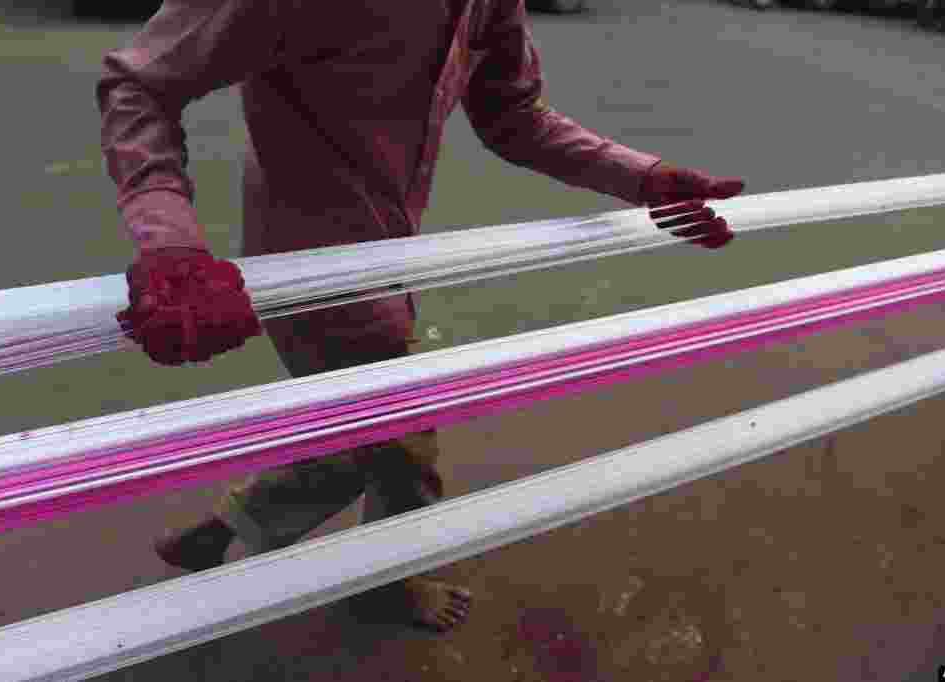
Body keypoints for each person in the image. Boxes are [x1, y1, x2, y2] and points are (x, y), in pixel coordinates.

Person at [98, 0, 745, 633]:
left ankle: (230, 527)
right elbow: (139, 83)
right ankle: (387, 579)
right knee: (403, 432)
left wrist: (643, 177)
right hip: (308, 258)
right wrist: (172, 243)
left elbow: (514, 116)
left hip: (397, 244)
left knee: (361, 430)